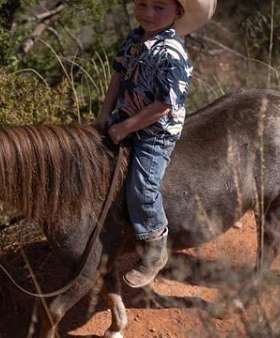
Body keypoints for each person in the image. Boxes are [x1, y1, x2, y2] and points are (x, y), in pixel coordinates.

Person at [96, 0, 217, 288]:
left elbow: (163, 105)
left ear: (179, 12)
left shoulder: (173, 54)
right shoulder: (135, 38)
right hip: (123, 119)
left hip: (155, 132)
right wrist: (104, 114)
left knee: (143, 187)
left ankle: (154, 247)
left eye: (159, 7)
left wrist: (125, 127)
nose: (148, 13)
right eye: (143, 4)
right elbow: (118, 74)